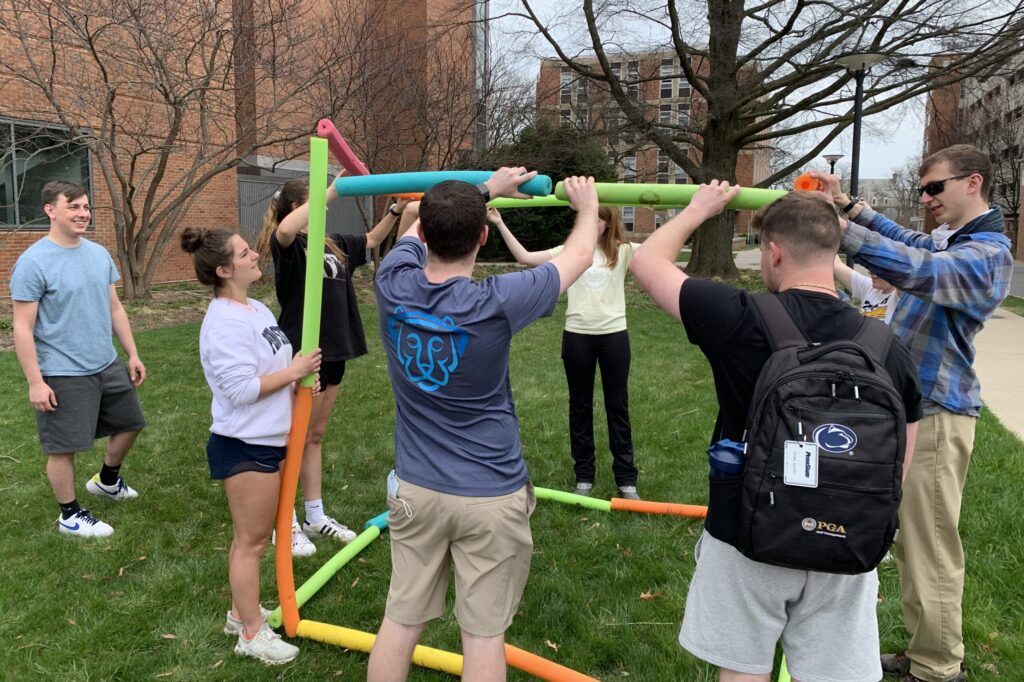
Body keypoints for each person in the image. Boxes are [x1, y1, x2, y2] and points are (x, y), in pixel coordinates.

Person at [630, 184, 922, 682]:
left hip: (746, 533)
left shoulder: (738, 316)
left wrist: (701, 209)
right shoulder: (884, 345)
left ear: (774, 251)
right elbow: (898, 465)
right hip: (847, 541)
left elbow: (647, 262)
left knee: (743, 671)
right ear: (833, 254)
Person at [366, 169, 600, 682]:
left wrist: (483, 191)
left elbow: (411, 231)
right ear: (483, 236)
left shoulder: (391, 281)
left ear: (423, 233)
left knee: (400, 622)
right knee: (482, 638)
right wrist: (586, 207)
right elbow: (579, 257)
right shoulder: (495, 301)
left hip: (416, 490)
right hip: (490, 494)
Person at [809, 144, 1013, 682]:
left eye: (934, 188)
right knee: (908, 540)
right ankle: (924, 651)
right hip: (911, 409)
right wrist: (849, 207)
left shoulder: (988, 254)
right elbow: (910, 242)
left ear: (973, 183)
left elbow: (918, 266)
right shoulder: (954, 241)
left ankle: (938, 668)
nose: (925, 200)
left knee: (930, 549)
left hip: (940, 415)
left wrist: (838, 230)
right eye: (921, 189)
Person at [181, 226, 321, 665]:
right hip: (244, 445)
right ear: (224, 270)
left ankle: (241, 612)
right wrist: (294, 374)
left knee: (255, 538)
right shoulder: (222, 322)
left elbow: (273, 365)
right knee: (252, 542)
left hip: (268, 438)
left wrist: (298, 382)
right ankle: (250, 634)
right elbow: (240, 389)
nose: (255, 254)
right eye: (244, 253)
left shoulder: (256, 307)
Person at [256, 177, 407, 556]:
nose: (323, 207)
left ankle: (314, 515)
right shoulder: (289, 243)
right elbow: (286, 229)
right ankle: (284, 521)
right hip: (302, 352)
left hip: (335, 348)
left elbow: (370, 241)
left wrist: (395, 211)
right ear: (295, 208)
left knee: (315, 435)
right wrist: (333, 189)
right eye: (315, 202)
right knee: (292, 437)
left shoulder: (331, 241)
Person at [10, 181, 147, 538]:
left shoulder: (98, 254)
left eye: (86, 207)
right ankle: (70, 515)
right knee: (64, 447)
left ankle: (106, 480)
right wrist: (36, 382)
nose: (83, 214)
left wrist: (131, 353)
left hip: (106, 362)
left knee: (131, 423)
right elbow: (22, 328)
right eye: (73, 207)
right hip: (62, 371)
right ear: (50, 210)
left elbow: (115, 308)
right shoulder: (33, 262)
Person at [489, 205, 641, 499]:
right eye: (588, 215)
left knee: (617, 407)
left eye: (597, 217)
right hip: (577, 337)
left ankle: (626, 480)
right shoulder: (569, 251)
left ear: (608, 223)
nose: (590, 221)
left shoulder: (623, 251)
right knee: (579, 406)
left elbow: (662, 253)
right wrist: (499, 222)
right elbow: (525, 258)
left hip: (614, 336)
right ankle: (584, 475)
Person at [833, 256, 899, 324]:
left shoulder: (900, 296)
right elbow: (836, 265)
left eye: (880, 268)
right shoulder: (869, 287)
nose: (871, 272)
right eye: (871, 267)